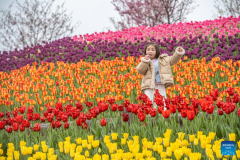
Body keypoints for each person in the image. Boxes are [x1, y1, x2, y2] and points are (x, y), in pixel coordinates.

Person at [136, 41, 185, 110]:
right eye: (148, 50)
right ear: (145, 51)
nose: (150, 51)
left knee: (162, 101)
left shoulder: (163, 59)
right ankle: (150, 115)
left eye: (153, 50)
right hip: (149, 86)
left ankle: (163, 114)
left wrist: (178, 53)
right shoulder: (145, 61)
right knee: (149, 101)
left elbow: (172, 60)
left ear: (157, 51)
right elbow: (140, 70)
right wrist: (145, 62)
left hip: (160, 84)